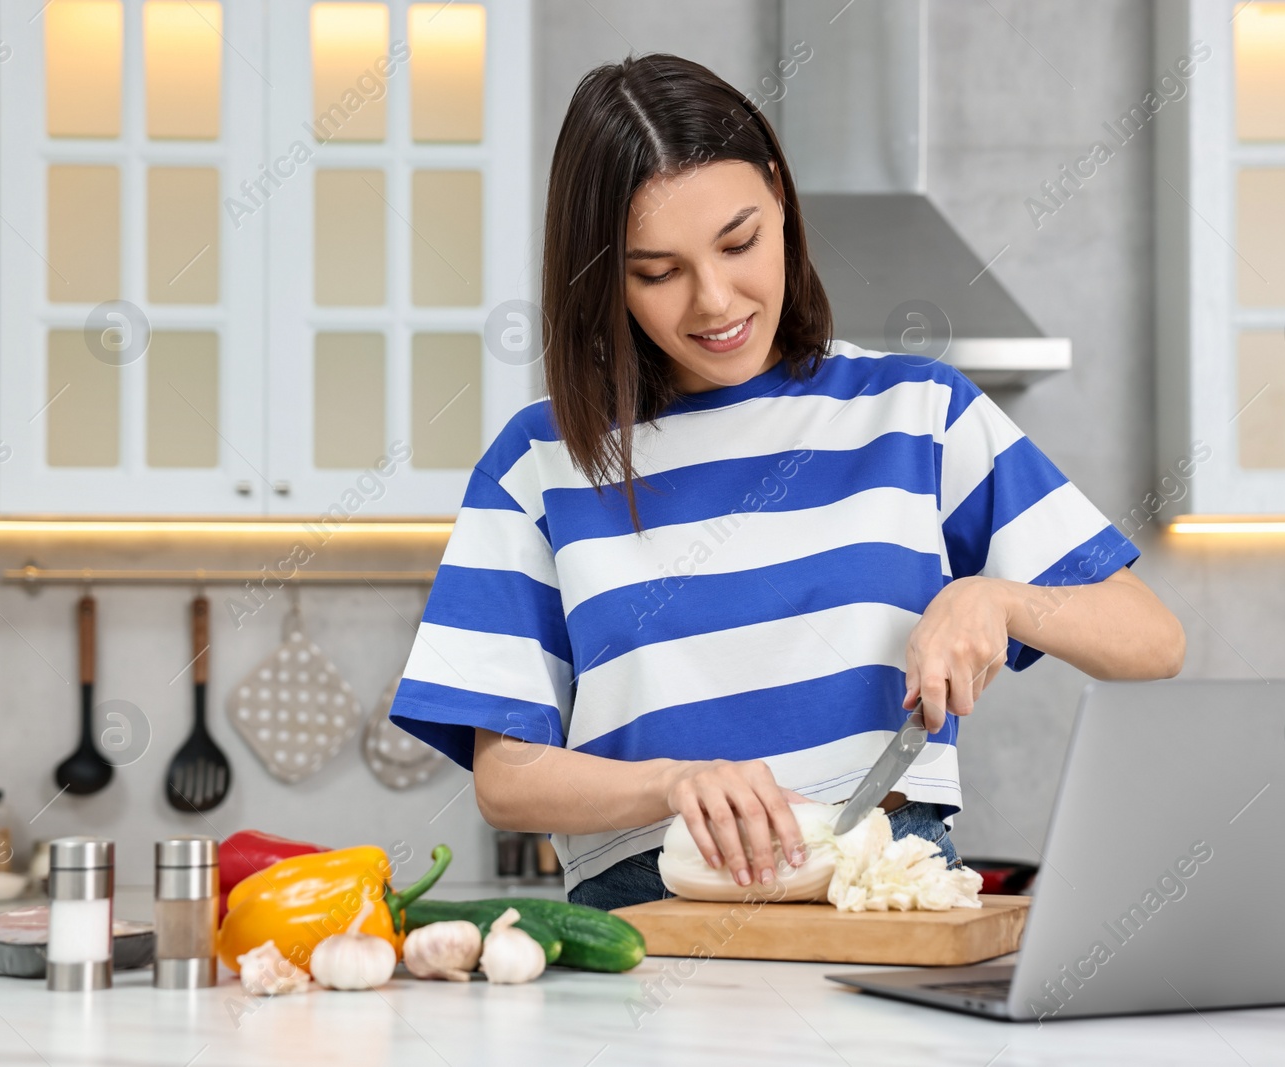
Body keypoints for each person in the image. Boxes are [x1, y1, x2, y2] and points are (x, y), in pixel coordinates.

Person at [390, 53, 1186, 911]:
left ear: (780, 199)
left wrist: (1001, 600)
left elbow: (1151, 640)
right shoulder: (539, 463)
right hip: (649, 926)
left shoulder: (916, 414)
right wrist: (673, 783)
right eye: (657, 272)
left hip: (890, 897)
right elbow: (506, 778)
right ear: (599, 277)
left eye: (740, 243)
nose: (715, 301)